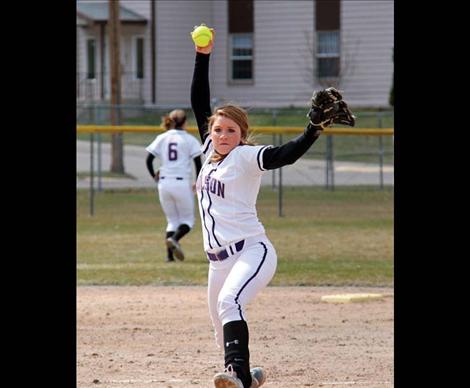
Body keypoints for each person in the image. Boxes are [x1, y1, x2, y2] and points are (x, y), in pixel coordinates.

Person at [191, 29, 354, 388]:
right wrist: (203, 55)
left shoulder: (247, 157)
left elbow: (286, 154)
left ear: (242, 135)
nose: (221, 135)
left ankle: (236, 374)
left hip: (252, 250)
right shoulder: (208, 153)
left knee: (230, 302)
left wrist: (312, 129)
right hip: (216, 261)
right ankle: (245, 374)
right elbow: (199, 102)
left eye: (230, 130)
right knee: (221, 327)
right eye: (217, 129)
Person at [145, 109, 202, 262]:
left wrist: (153, 176)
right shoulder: (189, 139)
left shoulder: (162, 137)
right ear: (184, 122)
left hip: (164, 183)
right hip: (181, 182)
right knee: (188, 221)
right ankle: (175, 239)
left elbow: (149, 160)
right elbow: (198, 163)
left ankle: (169, 257)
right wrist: (198, 181)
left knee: (172, 221)